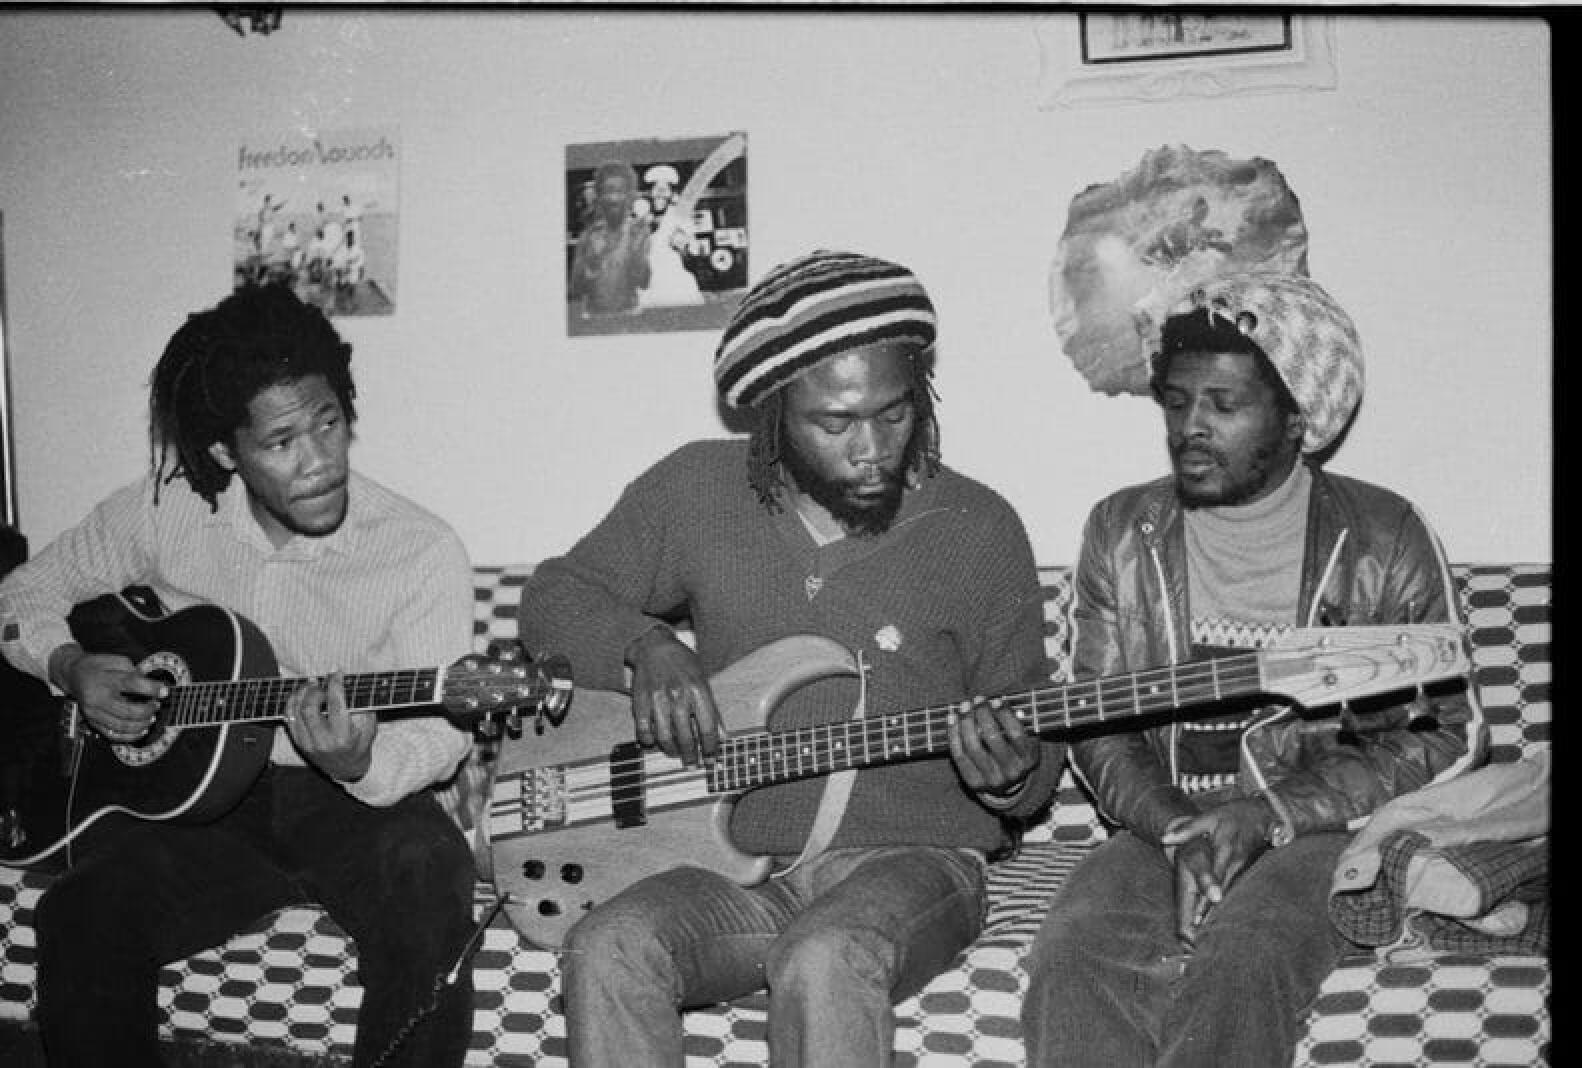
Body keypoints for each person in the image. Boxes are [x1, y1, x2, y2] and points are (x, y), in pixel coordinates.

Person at [517, 249, 1066, 1066]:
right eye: (834, 424)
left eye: (895, 413)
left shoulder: (978, 528)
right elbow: (553, 597)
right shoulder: (695, 490)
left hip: (912, 859)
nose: (872, 448)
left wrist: (1012, 774)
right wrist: (645, 644)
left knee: (825, 955)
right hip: (734, 865)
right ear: (772, 415)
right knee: (609, 945)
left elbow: (1036, 742)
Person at [0, 284, 479, 1067]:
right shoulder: (167, 510)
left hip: (354, 800)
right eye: (281, 441)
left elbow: (440, 732)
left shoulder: (420, 550)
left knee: (429, 878)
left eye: (329, 423)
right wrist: (71, 666)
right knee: (78, 912)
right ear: (226, 452)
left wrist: (358, 762)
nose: (319, 461)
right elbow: (23, 595)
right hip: (201, 804)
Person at [1019, 271, 1485, 1067]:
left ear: (1299, 418)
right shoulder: (1122, 530)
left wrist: (1268, 813)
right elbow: (1099, 722)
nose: (1190, 428)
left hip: (1320, 828)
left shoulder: (1385, 535)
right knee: (1074, 955)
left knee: (1245, 958)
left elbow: (1447, 734)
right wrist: (1177, 829)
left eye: (1224, 405)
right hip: (1164, 824)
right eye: (1176, 403)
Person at [567, 159, 651, 317]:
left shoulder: (638, 232)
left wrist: (637, 253)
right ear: (599, 196)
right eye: (608, 191)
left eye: (620, 192)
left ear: (629, 196)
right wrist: (592, 261)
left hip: (629, 315)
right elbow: (575, 289)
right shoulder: (588, 235)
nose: (614, 198)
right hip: (595, 317)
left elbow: (644, 282)